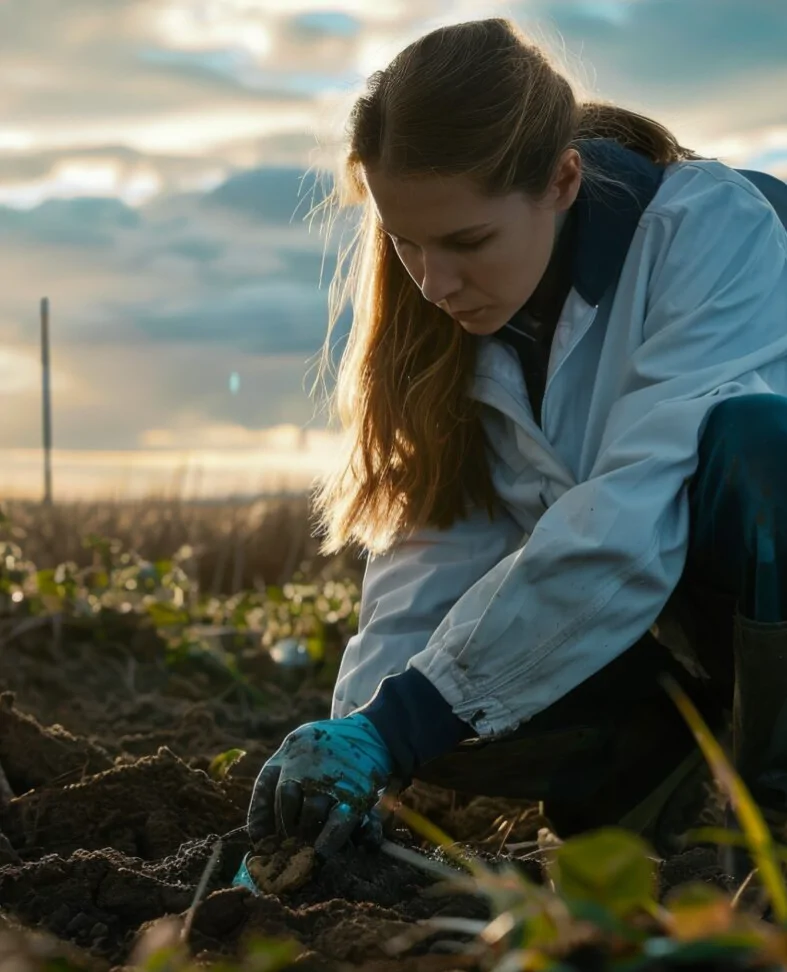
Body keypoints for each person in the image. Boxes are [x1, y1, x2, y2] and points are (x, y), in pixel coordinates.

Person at [247, 17, 787, 862]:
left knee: (758, 443)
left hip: (754, 586)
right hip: (685, 633)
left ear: (563, 180)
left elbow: (633, 514)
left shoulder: (713, 230)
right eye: (405, 242)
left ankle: (776, 823)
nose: (432, 283)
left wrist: (402, 722)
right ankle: (648, 781)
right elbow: (427, 558)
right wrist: (353, 754)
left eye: (466, 242)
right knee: (437, 690)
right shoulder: (455, 317)